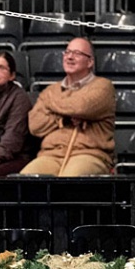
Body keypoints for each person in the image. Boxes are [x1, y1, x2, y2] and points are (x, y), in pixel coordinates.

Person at [21, 37, 116, 176]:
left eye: (77, 53)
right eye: (67, 52)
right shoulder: (51, 90)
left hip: (89, 155)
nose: (70, 57)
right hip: (51, 155)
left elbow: (80, 107)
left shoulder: (103, 86)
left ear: (90, 62)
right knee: (24, 181)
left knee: (67, 182)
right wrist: (64, 119)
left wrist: (52, 106)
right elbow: (35, 125)